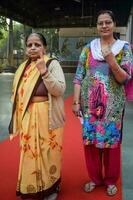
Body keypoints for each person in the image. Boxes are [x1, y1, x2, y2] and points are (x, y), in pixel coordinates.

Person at [72, 10, 133, 196]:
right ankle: (95, 178)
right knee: (90, 143)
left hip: (113, 108)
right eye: (100, 23)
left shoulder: (124, 48)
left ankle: (110, 180)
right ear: (97, 26)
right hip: (90, 107)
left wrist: (111, 60)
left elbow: (125, 78)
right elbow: (78, 76)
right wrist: (75, 102)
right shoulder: (88, 48)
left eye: (108, 22)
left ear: (114, 24)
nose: (104, 25)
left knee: (111, 144)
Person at [9, 32, 66, 200]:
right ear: (26, 48)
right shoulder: (22, 68)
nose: (33, 48)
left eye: (37, 44)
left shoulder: (52, 64)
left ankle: (51, 188)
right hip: (28, 116)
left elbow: (60, 90)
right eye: (29, 45)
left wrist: (43, 71)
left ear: (44, 47)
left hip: (47, 116)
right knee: (29, 152)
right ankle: (30, 188)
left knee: (48, 152)